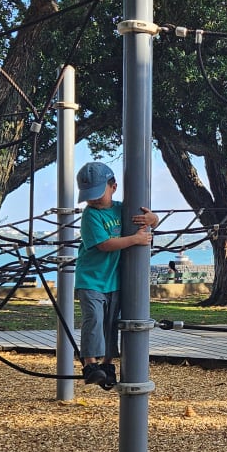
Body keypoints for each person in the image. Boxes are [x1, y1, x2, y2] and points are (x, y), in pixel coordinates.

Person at [75, 161, 158, 390]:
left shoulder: (123, 209)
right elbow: (104, 244)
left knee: (111, 323)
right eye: (88, 196)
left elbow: (149, 220)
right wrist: (135, 240)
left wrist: (153, 219)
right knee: (94, 318)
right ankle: (90, 364)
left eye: (97, 194)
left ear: (113, 187)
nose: (92, 200)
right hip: (91, 279)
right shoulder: (90, 215)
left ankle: (107, 364)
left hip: (114, 281)